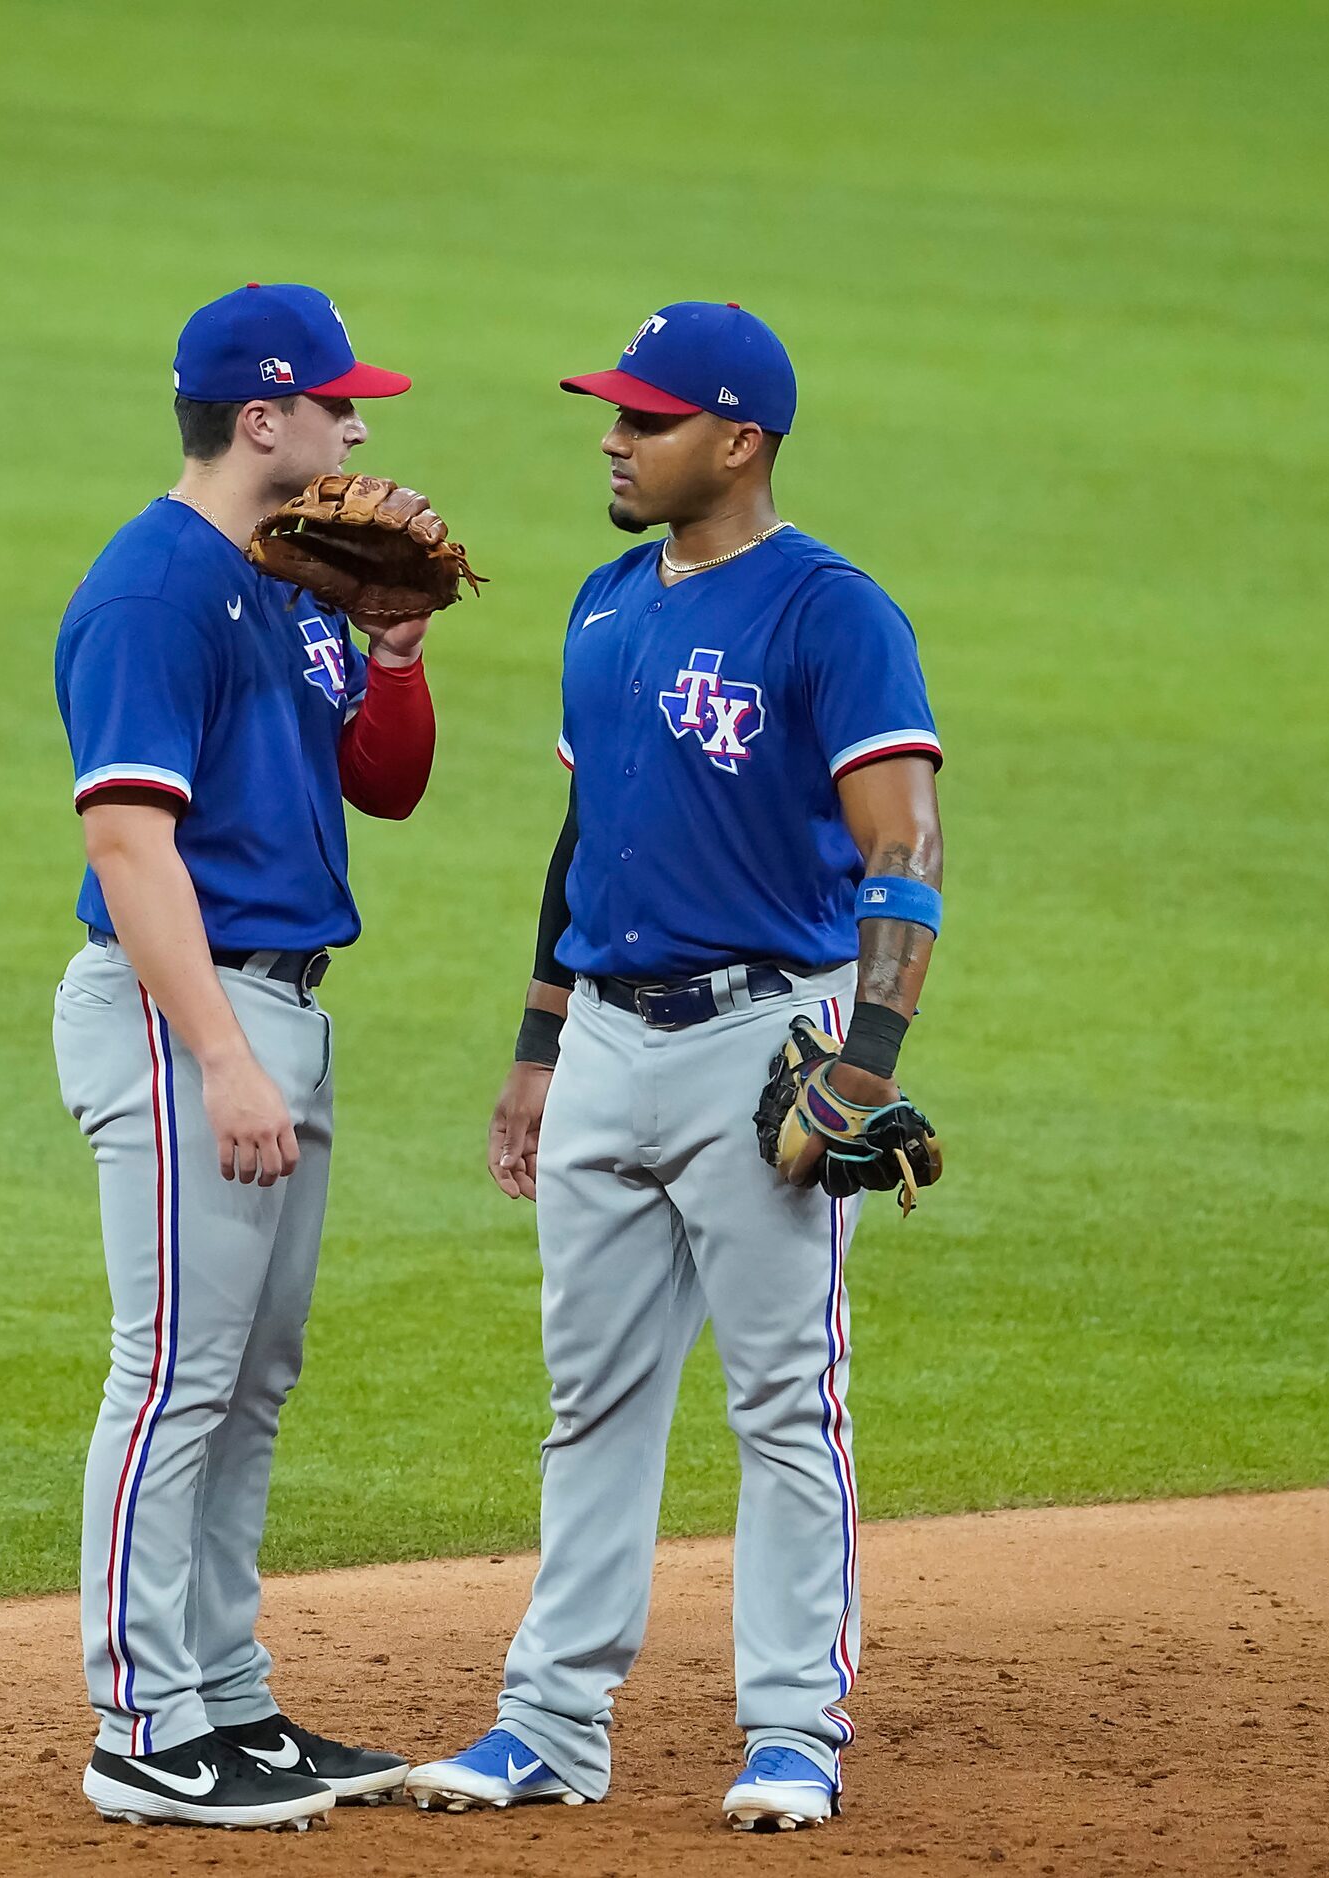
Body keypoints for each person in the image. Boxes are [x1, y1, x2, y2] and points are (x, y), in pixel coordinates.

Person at [403, 303, 946, 1832]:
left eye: (643, 419)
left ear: (739, 440)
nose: (611, 437)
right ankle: (550, 1723)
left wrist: (870, 1052)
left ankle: (791, 1730)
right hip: (608, 1044)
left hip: (763, 1038)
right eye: (612, 412)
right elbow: (588, 834)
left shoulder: (830, 612)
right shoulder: (601, 602)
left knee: (785, 1400)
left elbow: (902, 842)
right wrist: (535, 1041)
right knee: (589, 1399)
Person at [51, 283, 440, 1829]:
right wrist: (216, 1052)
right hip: (184, 1012)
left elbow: (387, 787)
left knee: (250, 1379)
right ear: (259, 416)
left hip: (281, 1007)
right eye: (338, 402)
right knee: (171, 1375)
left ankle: (225, 1697)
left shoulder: (287, 583)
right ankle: (139, 1723)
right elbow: (128, 841)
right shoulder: (153, 590)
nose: (360, 429)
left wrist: (394, 647)